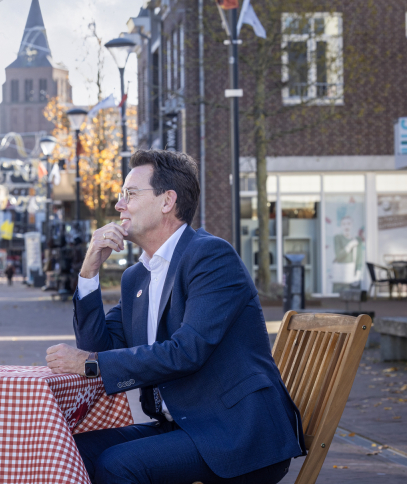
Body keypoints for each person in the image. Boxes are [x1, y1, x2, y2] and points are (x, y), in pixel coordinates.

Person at [45, 150, 304, 484]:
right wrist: (89, 270)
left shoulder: (210, 257)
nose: (119, 205)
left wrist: (91, 363)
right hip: (184, 425)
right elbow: (99, 348)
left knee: (117, 464)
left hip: (236, 431)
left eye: (130, 194)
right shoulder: (137, 277)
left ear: (167, 201)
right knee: (67, 450)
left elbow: (186, 352)